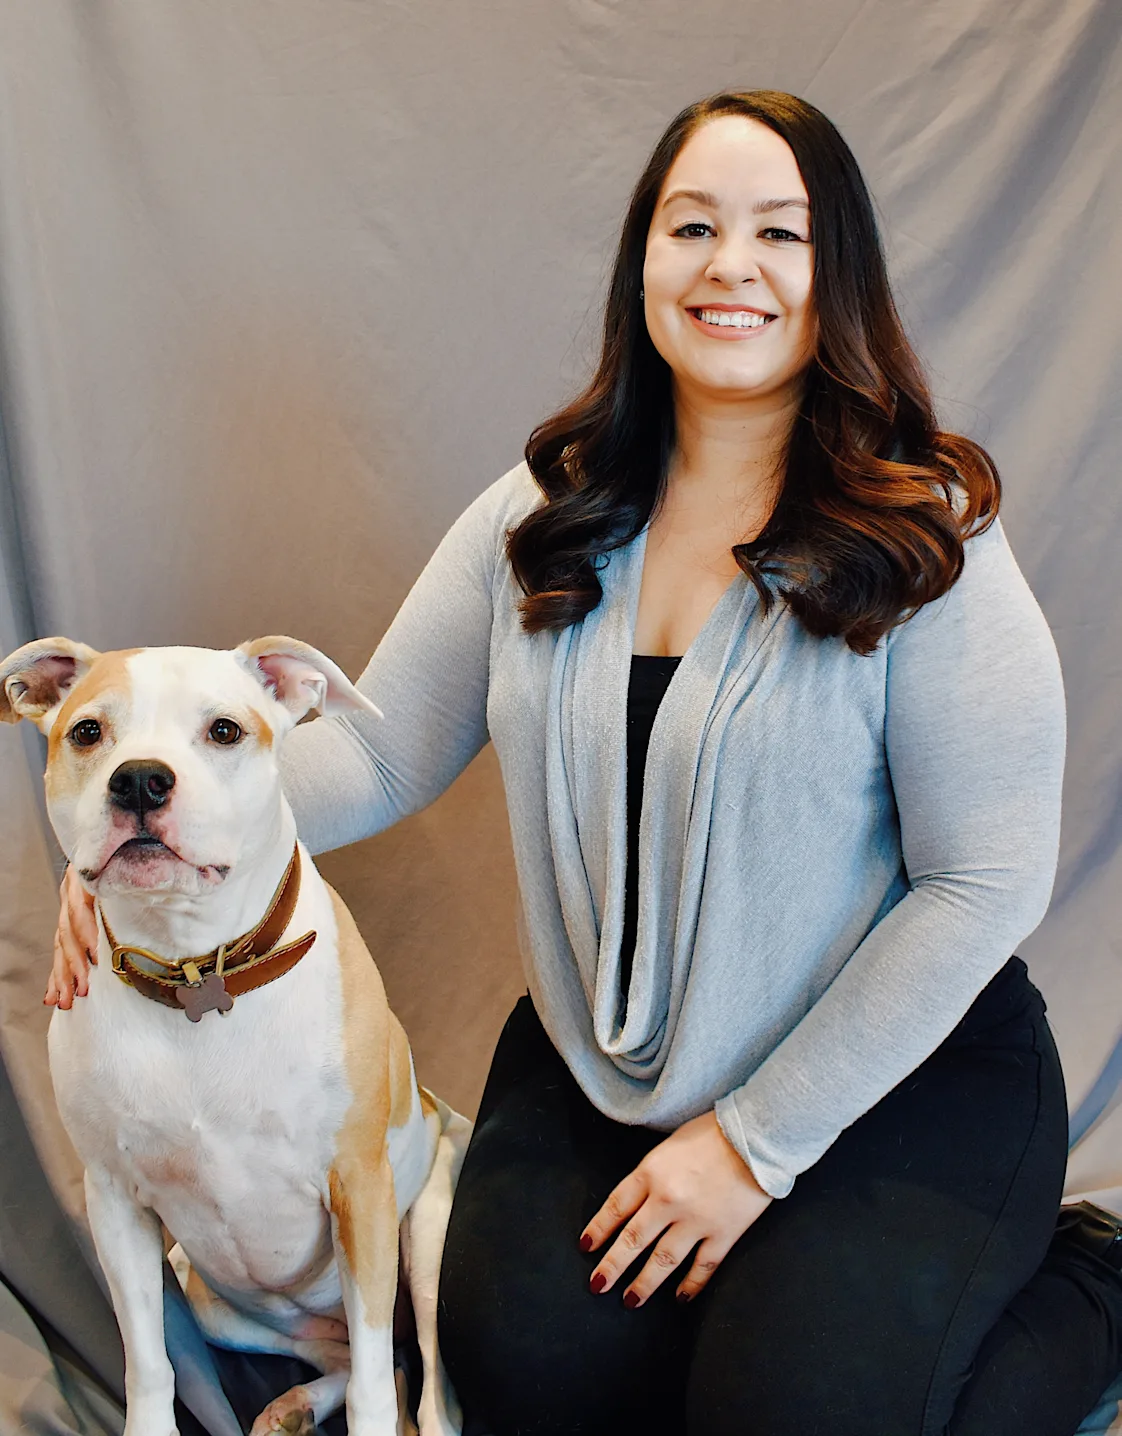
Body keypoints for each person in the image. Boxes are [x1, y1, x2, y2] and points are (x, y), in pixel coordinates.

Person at [50, 91, 1122, 1435]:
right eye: (692, 225)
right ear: (641, 266)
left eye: (778, 233)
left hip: (890, 1073)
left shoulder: (927, 538)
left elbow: (983, 880)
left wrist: (749, 1148)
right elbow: (369, 759)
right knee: (524, 1381)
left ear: (832, 273)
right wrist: (141, 850)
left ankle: (1090, 1285)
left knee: (798, 1411)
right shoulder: (542, 513)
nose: (730, 264)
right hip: (618, 1058)